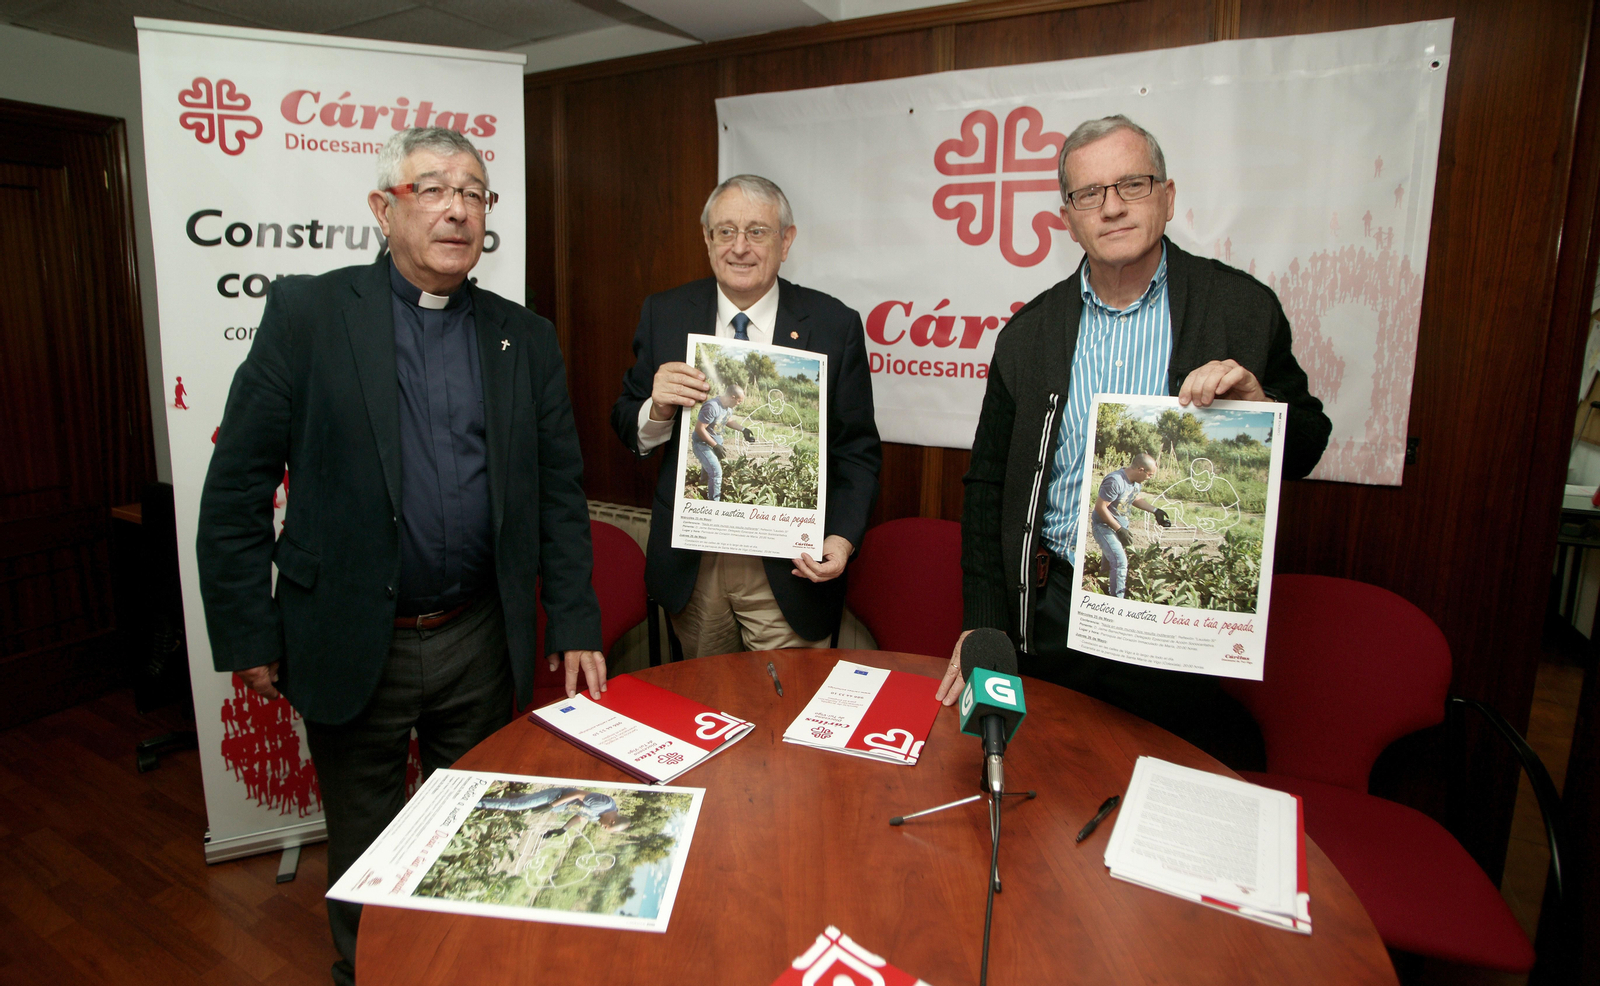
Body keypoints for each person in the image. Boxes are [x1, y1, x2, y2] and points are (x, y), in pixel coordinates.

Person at [196, 127, 605, 986]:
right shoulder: (308, 315)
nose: (457, 207)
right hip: (349, 635)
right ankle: (369, 972)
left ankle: (470, 968)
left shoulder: (523, 337)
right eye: (433, 189)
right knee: (369, 843)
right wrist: (252, 634)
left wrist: (572, 621)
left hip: (479, 635)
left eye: (475, 192)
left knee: (487, 830)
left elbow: (559, 495)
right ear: (384, 209)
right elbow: (235, 487)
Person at [935, 115, 1331, 756]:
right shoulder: (1028, 335)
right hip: (1057, 612)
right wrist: (984, 627)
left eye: (1132, 185)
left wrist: (1265, 408)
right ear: (1067, 215)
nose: (1112, 207)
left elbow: (1310, 445)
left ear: (1168, 198)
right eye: (1089, 193)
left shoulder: (1242, 309)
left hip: (1177, 626)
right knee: (1052, 802)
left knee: (1165, 803)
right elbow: (986, 489)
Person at [612, 175, 882, 658]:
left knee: (786, 716)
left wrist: (841, 539)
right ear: (707, 239)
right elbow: (627, 423)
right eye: (725, 232)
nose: (740, 247)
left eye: (757, 231)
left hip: (788, 568)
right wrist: (655, 409)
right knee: (706, 711)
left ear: (786, 240)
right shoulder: (665, 313)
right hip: (695, 566)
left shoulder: (832, 323)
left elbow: (857, 451)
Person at [1090, 452, 1170, 598]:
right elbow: (1100, 508)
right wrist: (1119, 529)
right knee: (1120, 562)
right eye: (1149, 475)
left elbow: (1133, 497)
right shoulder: (1115, 481)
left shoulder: (1135, 482)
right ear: (1140, 470)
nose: (1150, 478)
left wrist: (1155, 510)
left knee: (1109, 565)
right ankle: (1116, 601)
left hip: (1118, 528)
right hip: (1104, 527)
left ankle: (1099, 587)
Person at [477, 785, 632, 836]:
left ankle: (494, 794)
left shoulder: (599, 817)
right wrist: (550, 806)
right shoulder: (604, 804)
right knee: (515, 806)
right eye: (606, 827)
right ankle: (478, 803)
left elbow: (581, 816)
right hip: (556, 796)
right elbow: (577, 794)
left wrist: (562, 830)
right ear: (612, 821)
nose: (602, 827)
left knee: (521, 801)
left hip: (556, 805)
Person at [692, 383, 754, 501]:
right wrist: (715, 446)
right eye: (739, 401)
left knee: (707, 472)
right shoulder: (712, 407)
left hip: (713, 446)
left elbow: (727, 420)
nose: (739, 404)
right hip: (702, 445)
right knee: (716, 472)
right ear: (732, 397)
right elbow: (699, 429)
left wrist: (743, 430)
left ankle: (701, 493)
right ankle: (714, 503)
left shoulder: (727, 408)